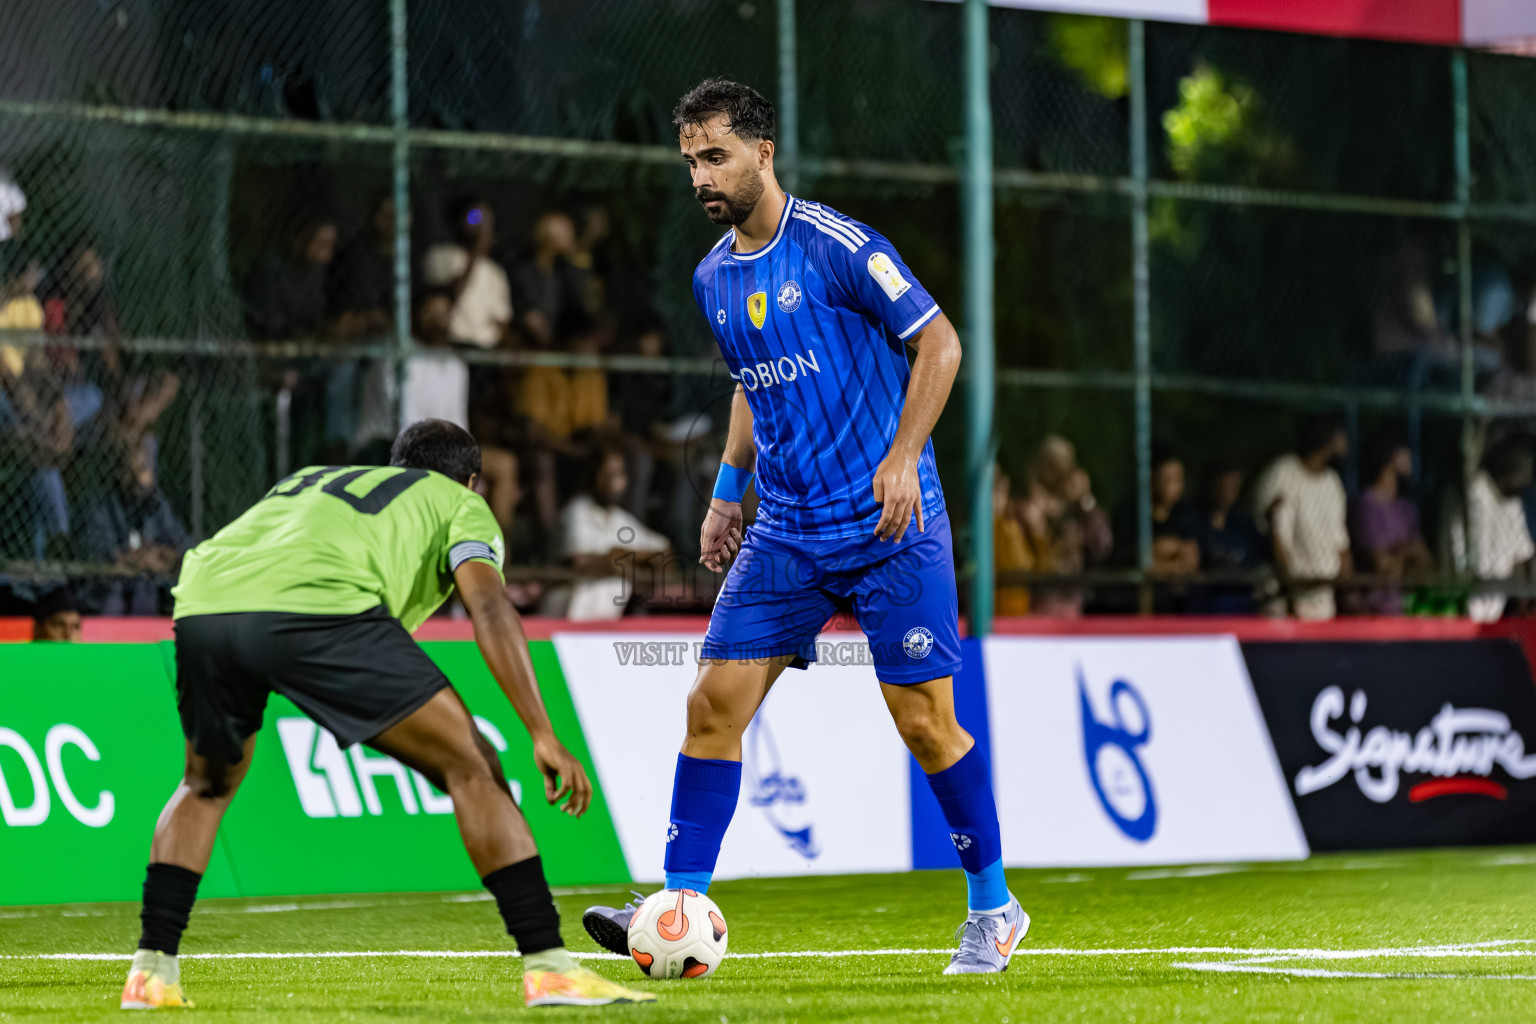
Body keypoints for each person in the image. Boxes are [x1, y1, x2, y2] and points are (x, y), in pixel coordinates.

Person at [582, 78, 1025, 975]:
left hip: (889, 526)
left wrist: (904, 455)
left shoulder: (837, 248)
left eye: (716, 156)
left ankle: (994, 907)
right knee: (711, 704)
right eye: (691, 161)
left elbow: (939, 342)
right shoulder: (713, 276)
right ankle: (677, 900)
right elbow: (753, 382)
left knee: (926, 725)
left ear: (763, 152)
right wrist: (725, 492)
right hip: (784, 533)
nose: (702, 176)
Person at [119, 420, 652, 1010]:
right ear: (471, 481)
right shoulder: (460, 504)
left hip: (204, 603)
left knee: (205, 785)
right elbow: (490, 606)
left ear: (397, 464)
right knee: (473, 766)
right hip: (322, 607)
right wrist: (541, 730)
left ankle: (151, 971)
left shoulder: (313, 479)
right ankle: (551, 970)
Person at [542, 446, 670, 621]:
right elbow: (581, 563)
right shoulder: (578, 510)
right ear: (593, 476)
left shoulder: (621, 518)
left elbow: (665, 553)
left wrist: (620, 557)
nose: (614, 482)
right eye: (608, 474)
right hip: (566, 612)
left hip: (605, 619)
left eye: (619, 474)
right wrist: (629, 562)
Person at [1253, 415, 1352, 620]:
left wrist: (1346, 590)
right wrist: (1290, 596)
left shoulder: (1332, 482)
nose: (1346, 443)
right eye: (1341, 436)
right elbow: (1275, 539)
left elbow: (1339, 540)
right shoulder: (1282, 473)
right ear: (1327, 439)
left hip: (1323, 599)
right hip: (1284, 598)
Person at [1449, 435, 1536, 623]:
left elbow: (1523, 551)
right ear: (1511, 468)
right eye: (1525, 473)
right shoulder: (1474, 492)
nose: (1527, 481)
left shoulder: (1514, 504)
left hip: (1494, 609)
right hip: (1459, 604)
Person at [1349, 433, 1431, 615]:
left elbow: (1424, 561)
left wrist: (1397, 553)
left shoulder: (1407, 508)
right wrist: (1408, 551)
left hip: (1406, 611)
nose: (1410, 458)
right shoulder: (1365, 506)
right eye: (1404, 453)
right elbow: (1382, 566)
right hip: (1373, 613)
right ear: (1390, 458)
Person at [421, 198, 513, 350]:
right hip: (450, 344)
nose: (480, 225)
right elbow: (451, 295)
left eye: (486, 221)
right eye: (475, 217)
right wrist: (475, 251)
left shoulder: (495, 271)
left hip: (483, 349)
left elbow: (502, 318)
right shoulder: (441, 255)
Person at [1189, 459, 1265, 614]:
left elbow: (1257, 562)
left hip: (1242, 602)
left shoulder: (1245, 525)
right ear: (1211, 485)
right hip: (1202, 604)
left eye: (1234, 486)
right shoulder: (1192, 521)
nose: (1229, 491)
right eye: (1224, 485)